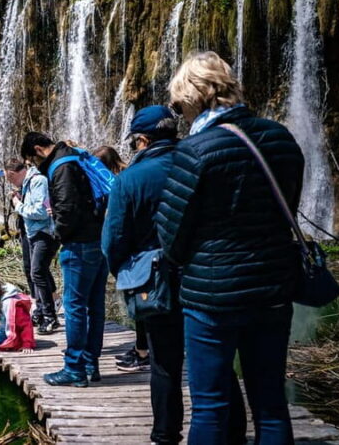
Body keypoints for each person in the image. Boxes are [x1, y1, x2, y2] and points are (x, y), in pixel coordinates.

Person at [156, 51, 304, 444]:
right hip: (273, 288)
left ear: (192, 95)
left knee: (210, 405)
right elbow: (288, 208)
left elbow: (171, 235)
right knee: (271, 403)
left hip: (212, 296)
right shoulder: (281, 138)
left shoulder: (195, 150)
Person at [102, 105, 248, 444]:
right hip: (209, 275)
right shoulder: (202, 163)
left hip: (156, 283)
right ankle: (235, 433)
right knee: (218, 358)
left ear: (141, 140)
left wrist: (126, 273)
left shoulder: (130, 179)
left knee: (164, 363)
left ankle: (165, 434)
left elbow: (113, 242)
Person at [21, 132, 108, 387]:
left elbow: (68, 210)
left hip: (79, 246)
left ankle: (74, 368)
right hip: (98, 241)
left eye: (31, 161)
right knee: (95, 307)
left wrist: (58, 233)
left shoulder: (61, 167)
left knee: (75, 307)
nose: (34, 167)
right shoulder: (75, 157)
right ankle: (91, 363)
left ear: (38, 149)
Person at [92, 146, 152, 372]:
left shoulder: (118, 182)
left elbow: (116, 223)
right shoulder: (130, 175)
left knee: (139, 305)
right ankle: (141, 347)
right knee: (142, 304)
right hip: (142, 250)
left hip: (133, 252)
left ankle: (143, 352)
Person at [4, 158, 59, 334]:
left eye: (10, 179)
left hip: (45, 232)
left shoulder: (38, 181)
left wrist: (18, 204)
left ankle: (50, 317)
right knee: (35, 272)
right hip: (34, 234)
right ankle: (42, 311)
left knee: (37, 272)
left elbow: (41, 212)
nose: (10, 183)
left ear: (14, 173)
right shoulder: (28, 184)